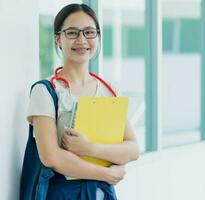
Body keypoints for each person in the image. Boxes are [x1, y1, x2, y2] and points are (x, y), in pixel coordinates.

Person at [22, 3, 139, 200]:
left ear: (98, 37)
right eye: (72, 33)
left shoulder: (109, 90)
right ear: (58, 39)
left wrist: (90, 149)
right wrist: (106, 173)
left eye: (89, 32)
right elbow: (51, 157)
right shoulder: (46, 91)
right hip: (62, 195)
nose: (81, 40)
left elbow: (133, 149)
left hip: (103, 194)